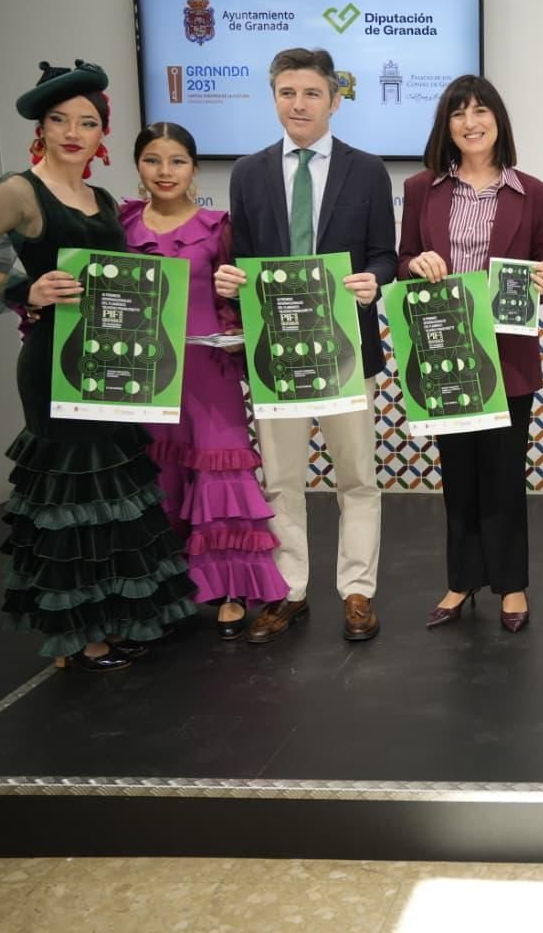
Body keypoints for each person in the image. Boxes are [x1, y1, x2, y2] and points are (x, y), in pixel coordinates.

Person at [0, 60, 195, 671]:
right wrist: (21, 289)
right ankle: (80, 636)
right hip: (53, 361)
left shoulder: (101, 198)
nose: (74, 133)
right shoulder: (19, 191)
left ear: (102, 133)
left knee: (111, 487)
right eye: (60, 121)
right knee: (71, 493)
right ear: (43, 128)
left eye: (87, 122)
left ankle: (113, 617)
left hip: (110, 362)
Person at [213, 47, 397, 643]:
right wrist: (230, 279)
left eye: (312, 93)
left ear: (334, 101)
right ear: (274, 99)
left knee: (357, 477)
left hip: (346, 349)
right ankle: (288, 591)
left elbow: (385, 255)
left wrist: (374, 280)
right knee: (281, 480)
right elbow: (243, 259)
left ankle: (357, 590)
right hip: (276, 353)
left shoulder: (367, 170)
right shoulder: (248, 173)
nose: (299, 104)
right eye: (287, 92)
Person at [397, 75, 543, 634]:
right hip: (444, 351)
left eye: (480, 110)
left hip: (507, 357)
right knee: (458, 472)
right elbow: (403, 259)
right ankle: (461, 579)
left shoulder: (533, 193)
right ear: (447, 126)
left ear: (498, 120)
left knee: (504, 473)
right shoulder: (422, 188)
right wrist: (414, 264)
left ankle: (511, 584)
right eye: (458, 112)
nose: (470, 122)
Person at [122, 124, 287, 640]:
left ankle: (231, 590)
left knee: (221, 474)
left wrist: (237, 330)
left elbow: (238, 300)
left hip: (209, 374)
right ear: (138, 166)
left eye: (176, 161)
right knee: (159, 479)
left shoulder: (219, 227)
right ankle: (162, 590)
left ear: (194, 168)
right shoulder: (121, 225)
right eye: (152, 160)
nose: (164, 172)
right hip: (147, 378)